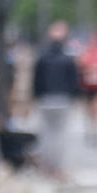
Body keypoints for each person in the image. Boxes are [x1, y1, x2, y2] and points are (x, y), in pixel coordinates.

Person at [31, 20, 81, 178]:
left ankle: (47, 166)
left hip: (45, 99)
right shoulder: (68, 59)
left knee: (46, 134)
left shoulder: (42, 58)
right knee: (60, 135)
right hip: (63, 99)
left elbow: (36, 80)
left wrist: (37, 96)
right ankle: (57, 167)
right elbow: (74, 81)